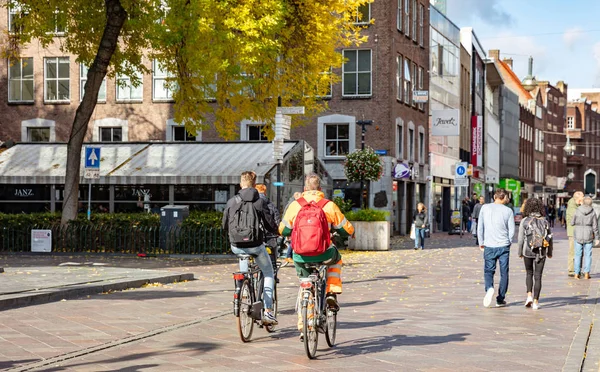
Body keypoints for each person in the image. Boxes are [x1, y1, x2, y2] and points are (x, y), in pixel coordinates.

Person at [279, 174, 354, 338]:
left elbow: (282, 230)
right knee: (337, 258)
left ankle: (304, 325)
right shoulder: (329, 205)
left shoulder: (295, 206)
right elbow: (346, 229)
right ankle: (331, 291)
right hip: (324, 253)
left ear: (304, 189)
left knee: (305, 284)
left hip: (300, 256)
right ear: (320, 189)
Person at [222, 171, 280, 325]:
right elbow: (270, 224)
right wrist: (276, 232)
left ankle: (242, 290)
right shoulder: (259, 202)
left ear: (241, 184)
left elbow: (224, 224)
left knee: (243, 268)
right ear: (255, 185)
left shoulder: (231, 201)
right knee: (268, 273)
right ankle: (268, 311)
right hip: (255, 245)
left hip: (237, 246)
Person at [477, 188, 515, 308]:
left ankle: (489, 288)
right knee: (504, 273)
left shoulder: (485, 208)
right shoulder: (508, 211)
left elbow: (480, 227)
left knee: (489, 270)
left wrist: (481, 242)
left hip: (489, 244)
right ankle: (500, 299)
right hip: (503, 245)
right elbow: (512, 230)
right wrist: (508, 241)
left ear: (494, 197)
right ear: (504, 198)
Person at [518, 198, 553, 310]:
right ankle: (536, 302)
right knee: (538, 276)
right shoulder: (545, 221)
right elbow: (549, 238)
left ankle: (529, 296)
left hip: (527, 250)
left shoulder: (524, 221)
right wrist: (550, 252)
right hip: (541, 251)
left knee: (529, 273)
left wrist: (520, 252)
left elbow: (520, 240)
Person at [571, 196, 599, 280]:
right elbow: (595, 226)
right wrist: (597, 237)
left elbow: (572, 222)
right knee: (588, 255)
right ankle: (586, 273)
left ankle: (576, 273)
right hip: (588, 234)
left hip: (578, 234)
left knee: (577, 254)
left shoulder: (577, 210)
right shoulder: (592, 212)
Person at [255, 183, 281, 252]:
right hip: (270, 234)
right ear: (265, 191)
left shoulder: (252, 204)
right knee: (272, 253)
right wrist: (277, 231)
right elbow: (277, 218)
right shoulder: (270, 204)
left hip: (256, 234)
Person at [566, 191, 584, 277]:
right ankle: (571, 270)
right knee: (573, 251)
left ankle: (578, 269)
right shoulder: (572, 206)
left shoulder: (576, 205)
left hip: (579, 231)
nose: (583, 200)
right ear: (577, 199)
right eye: (582, 198)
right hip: (573, 232)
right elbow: (578, 217)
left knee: (580, 251)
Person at [282, 192, 302, 264]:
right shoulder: (293, 205)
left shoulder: (291, 203)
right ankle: (288, 256)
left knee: (293, 240)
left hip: (292, 224)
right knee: (293, 240)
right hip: (292, 225)